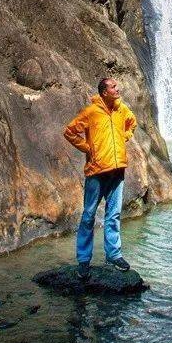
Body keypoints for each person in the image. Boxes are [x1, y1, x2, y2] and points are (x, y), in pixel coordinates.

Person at [63, 76, 138, 278]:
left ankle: (114, 255)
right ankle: (83, 260)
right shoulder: (91, 112)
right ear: (104, 92)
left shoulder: (122, 109)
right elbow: (70, 132)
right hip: (97, 171)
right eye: (113, 87)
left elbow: (132, 123)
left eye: (116, 86)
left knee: (113, 215)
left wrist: (124, 137)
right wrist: (88, 148)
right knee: (89, 215)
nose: (117, 89)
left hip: (118, 170)